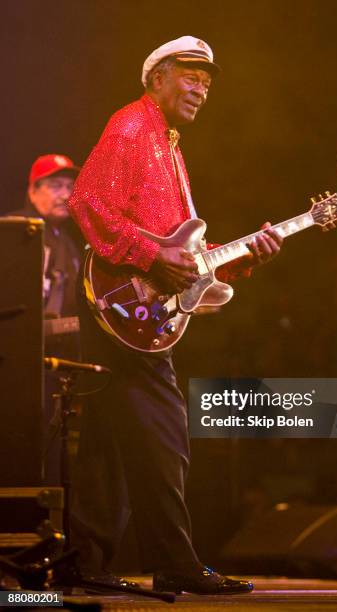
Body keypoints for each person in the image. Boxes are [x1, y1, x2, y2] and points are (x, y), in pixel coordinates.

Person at [68, 36, 282, 594]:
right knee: (165, 433)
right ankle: (175, 563)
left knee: (108, 440)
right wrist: (149, 257)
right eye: (191, 78)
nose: (201, 90)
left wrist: (230, 266)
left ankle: (85, 562)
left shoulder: (168, 143)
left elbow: (184, 258)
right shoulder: (132, 127)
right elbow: (88, 202)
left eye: (207, 84)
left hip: (133, 307)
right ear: (157, 77)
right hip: (122, 302)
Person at [6, 154, 82, 484]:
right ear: (33, 190)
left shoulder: (70, 246)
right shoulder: (13, 231)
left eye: (70, 186)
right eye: (55, 185)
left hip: (49, 367)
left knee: (47, 456)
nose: (65, 194)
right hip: (10, 367)